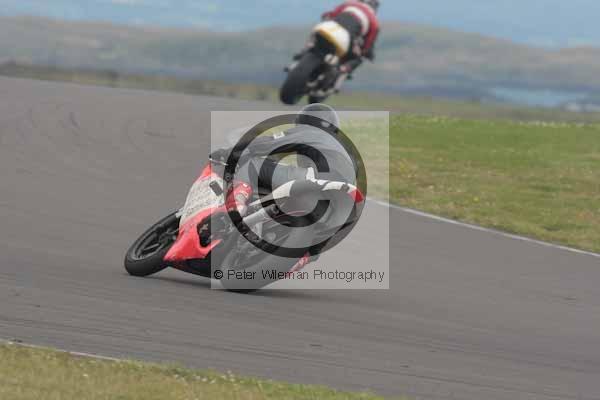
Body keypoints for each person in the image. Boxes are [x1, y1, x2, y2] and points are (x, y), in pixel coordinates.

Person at [210, 104, 356, 217]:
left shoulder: (310, 131)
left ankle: (237, 203)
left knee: (252, 165)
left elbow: (267, 144)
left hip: (318, 179)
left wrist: (228, 152)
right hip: (341, 202)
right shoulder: (343, 148)